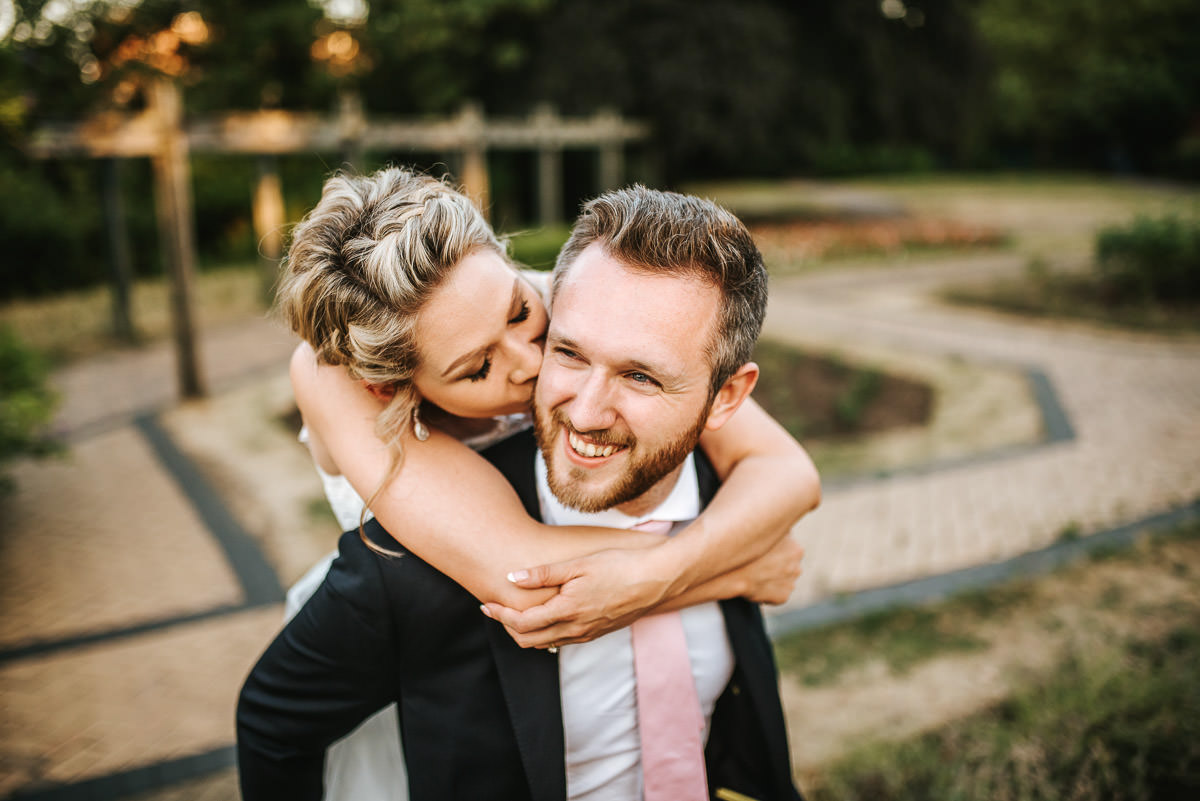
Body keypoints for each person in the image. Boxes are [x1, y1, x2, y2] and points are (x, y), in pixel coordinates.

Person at [239, 184, 809, 800]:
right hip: (417, 634)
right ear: (393, 388)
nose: (534, 363)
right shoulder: (338, 380)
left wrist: (675, 563)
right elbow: (520, 571)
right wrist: (735, 568)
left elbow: (788, 472)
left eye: (520, 313)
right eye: (477, 367)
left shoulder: (562, 305)